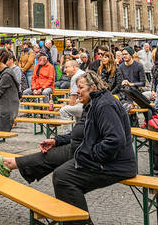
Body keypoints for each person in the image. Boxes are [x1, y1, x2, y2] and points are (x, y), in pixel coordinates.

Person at [52, 71, 137, 224]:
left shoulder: (104, 104)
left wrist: (93, 156)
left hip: (117, 165)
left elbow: (115, 140)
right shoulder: (97, 102)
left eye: (81, 87)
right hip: (110, 161)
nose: (77, 91)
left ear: (93, 87)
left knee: (63, 177)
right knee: (63, 175)